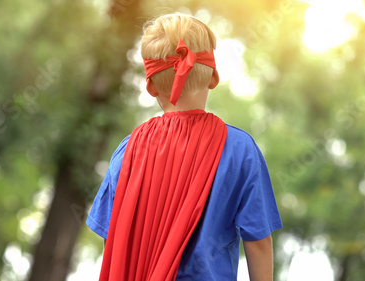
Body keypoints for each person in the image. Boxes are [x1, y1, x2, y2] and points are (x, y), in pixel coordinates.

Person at [87, 13, 282, 281]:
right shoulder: (240, 150)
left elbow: (115, 242)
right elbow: (259, 241)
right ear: (213, 77)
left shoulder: (127, 151)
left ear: (151, 86)